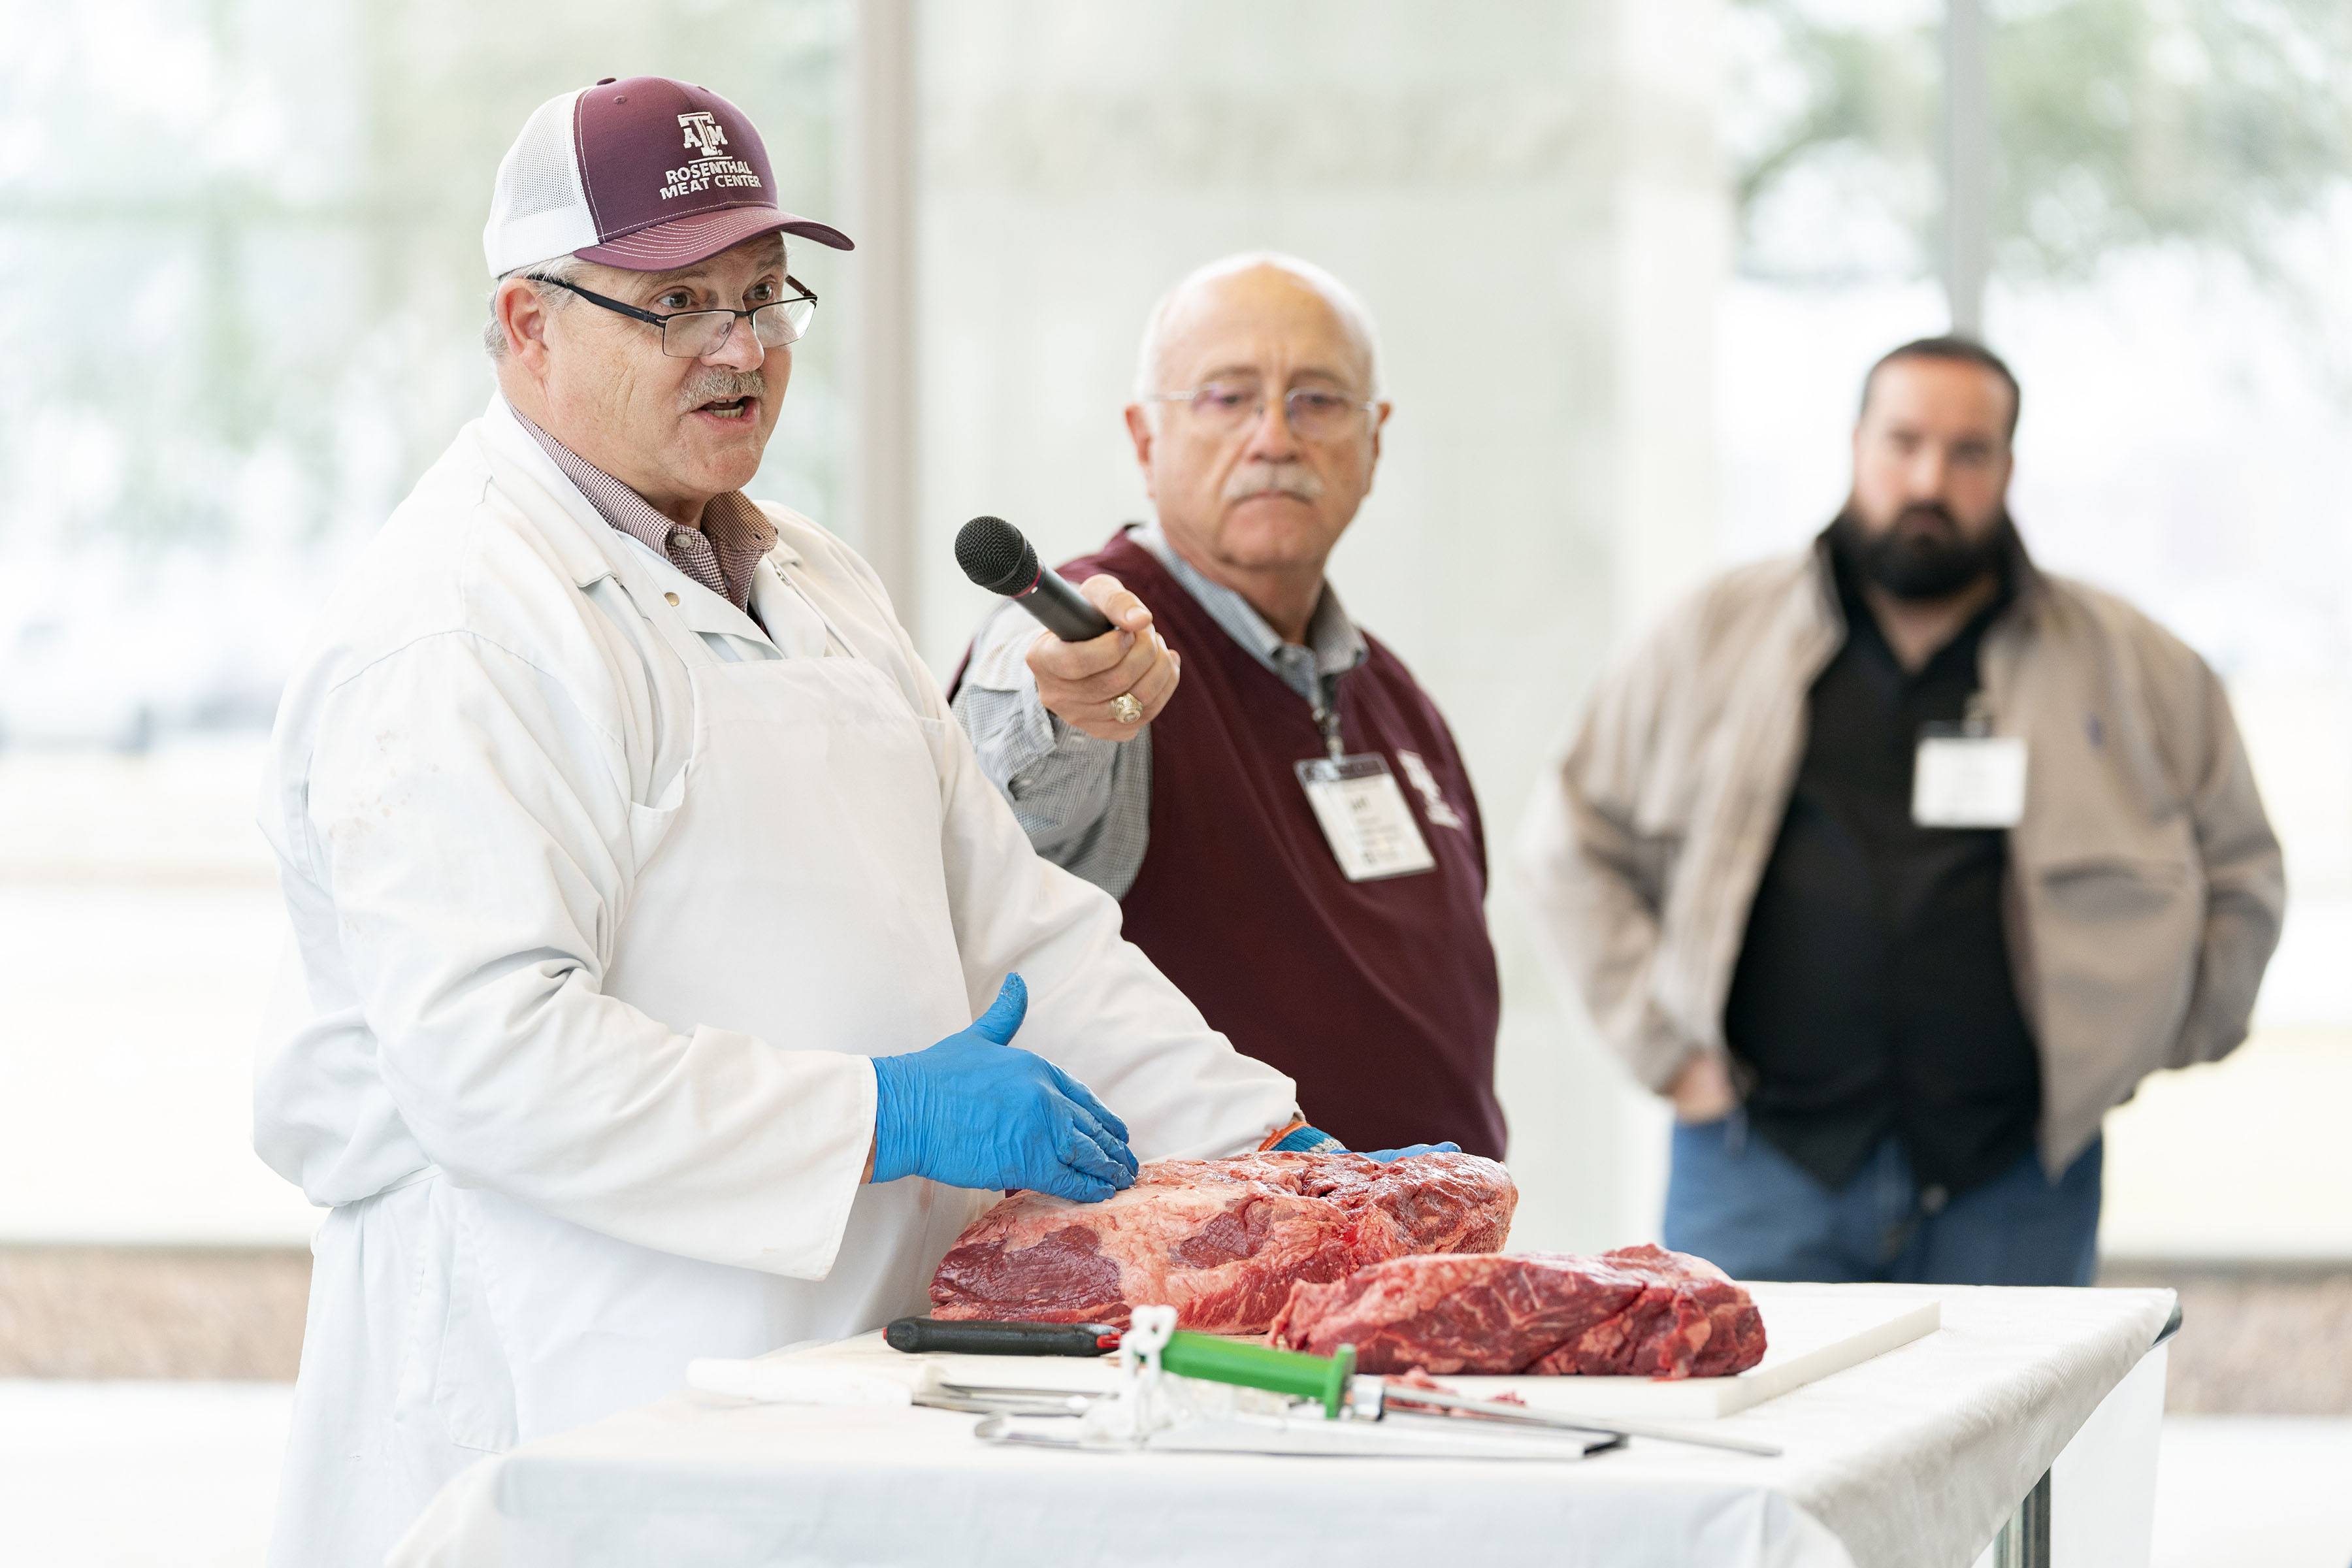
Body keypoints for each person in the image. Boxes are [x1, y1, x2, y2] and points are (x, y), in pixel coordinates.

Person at [253, 82, 1433, 1566]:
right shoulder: (458, 629)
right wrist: (881, 1111)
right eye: (676, 303)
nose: (741, 347)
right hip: (562, 1394)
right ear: (528, 325)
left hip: (843, 1387)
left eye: (763, 294)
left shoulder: (815, 578)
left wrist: (1266, 1137)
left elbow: (1017, 931)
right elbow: (491, 1059)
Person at [1518, 336, 2283, 1287]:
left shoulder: (2135, 664)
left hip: (2018, 1178)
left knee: (2013, 1440)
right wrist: (1666, 1052)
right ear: (1855, 446)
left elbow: (2243, 873)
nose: (1931, 477)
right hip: (1758, 1166)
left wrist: (2140, 1047)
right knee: (1759, 1432)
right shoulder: (1712, 634)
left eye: (1969, 453)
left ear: (2008, 467)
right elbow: (1570, 839)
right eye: (1904, 441)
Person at [950, 254, 1506, 1158]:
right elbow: (1003, 799)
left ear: (1376, 441)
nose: (1276, 438)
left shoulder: (1397, 699)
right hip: (1217, 1277)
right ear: (1143, 440)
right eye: (1226, 397)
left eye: (1318, 400)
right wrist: (1067, 697)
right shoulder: (1107, 631)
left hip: (1426, 1260)